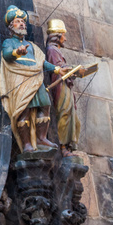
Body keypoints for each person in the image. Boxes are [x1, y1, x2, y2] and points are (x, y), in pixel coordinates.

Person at [0, 6, 67, 152]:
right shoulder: (9, 43)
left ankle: (41, 138)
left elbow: (41, 62)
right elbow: (6, 55)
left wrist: (57, 69)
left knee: (45, 104)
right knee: (23, 110)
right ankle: (26, 144)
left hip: (36, 78)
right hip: (20, 78)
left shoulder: (31, 45)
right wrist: (17, 52)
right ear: (11, 27)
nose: (22, 24)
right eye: (18, 22)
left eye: (23, 22)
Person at [45, 18, 82, 153]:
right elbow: (58, 67)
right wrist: (72, 69)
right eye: (63, 35)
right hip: (60, 85)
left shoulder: (56, 50)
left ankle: (68, 146)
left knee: (73, 118)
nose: (65, 39)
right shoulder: (52, 50)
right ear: (57, 36)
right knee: (64, 113)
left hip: (65, 84)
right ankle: (62, 146)